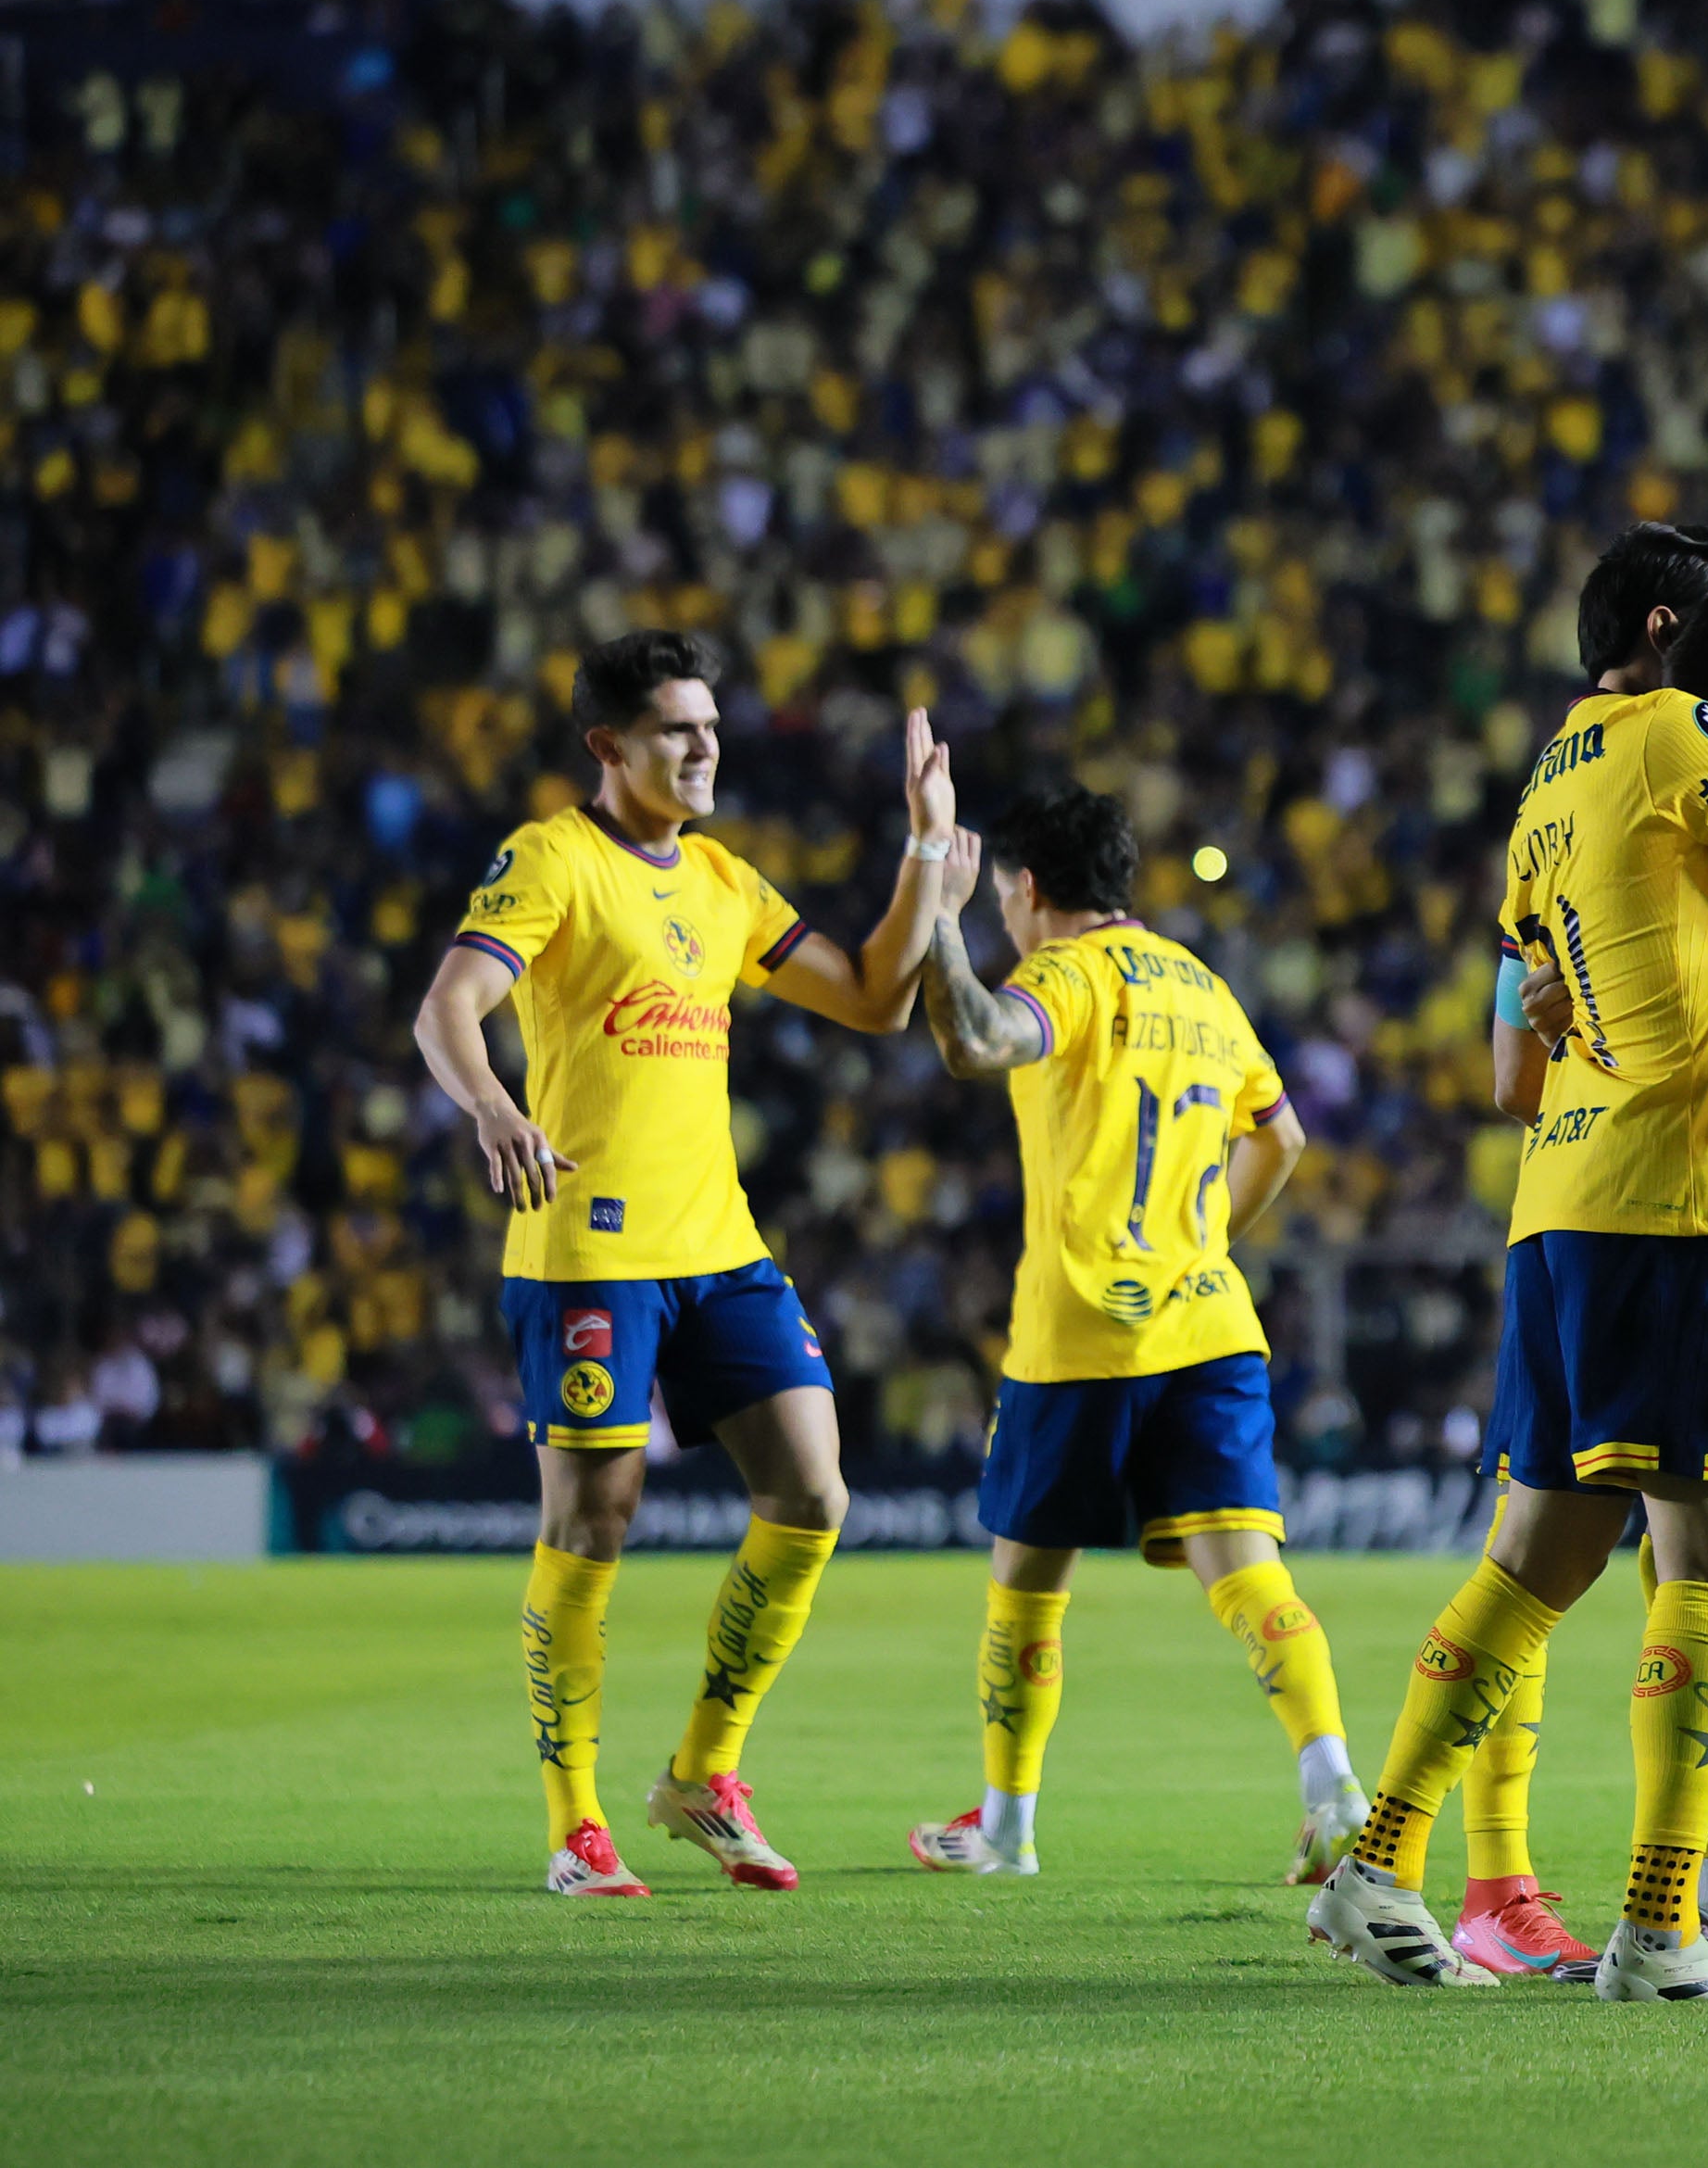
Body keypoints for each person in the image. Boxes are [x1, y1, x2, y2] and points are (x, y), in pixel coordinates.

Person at [1309, 566, 1708, 2000]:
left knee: (1533, 1560)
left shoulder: (1544, 783)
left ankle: (1375, 1865)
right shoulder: (1684, 733)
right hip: (1679, 1202)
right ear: (1661, 631)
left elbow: (1513, 1075)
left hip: (1560, 1202)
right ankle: (1656, 1926)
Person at [409, 627, 960, 1897]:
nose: (706, 746)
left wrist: (925, 849)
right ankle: (576, 1824)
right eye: (677, 728)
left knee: (813, 1494)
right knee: (592, 1521)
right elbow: (447, 1006)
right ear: (609, 744)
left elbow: (875, 998)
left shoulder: (722, 878)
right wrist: (493, 1106)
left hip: (720, 1245)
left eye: (711, 725)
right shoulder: (552, 857)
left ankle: (703, 1772)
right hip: (589, 1250)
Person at [898, 783, 1354, 1880]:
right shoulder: (1203, 986)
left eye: (1003, 899)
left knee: (1026, 1581)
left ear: (1027, 889)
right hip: (1208, 1324)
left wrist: (938, 915)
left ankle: (1006, 1829)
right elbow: (1281, 1135)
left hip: (1080, 1330)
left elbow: (976, 1038)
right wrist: (1208, 1240)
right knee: (1249, 1575)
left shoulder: (1064, 974)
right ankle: (1335, 1788)